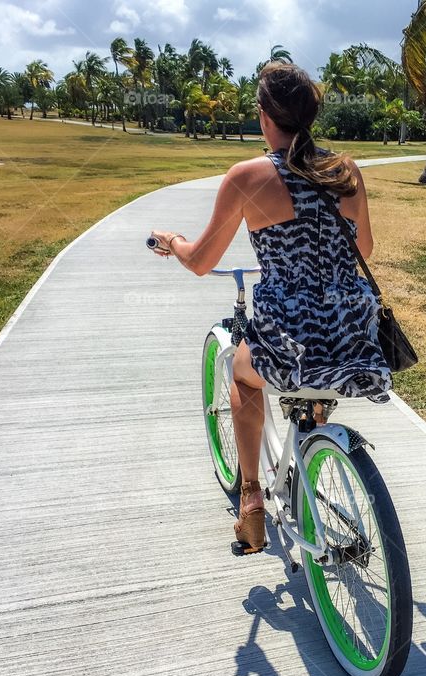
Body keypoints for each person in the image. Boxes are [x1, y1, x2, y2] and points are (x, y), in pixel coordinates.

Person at [149, 62, 392, 554]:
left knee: (242, 372)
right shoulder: (345, 169)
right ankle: (316, 457)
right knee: (315, 382)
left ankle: (251, 497)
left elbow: (200, 261)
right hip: (351, 333)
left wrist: (171, 240)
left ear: (263, 116)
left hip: (292, 337)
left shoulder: (248, 176)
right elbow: (362, 249)